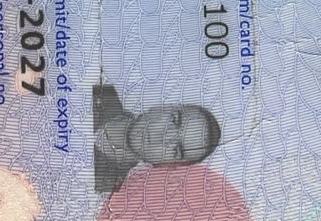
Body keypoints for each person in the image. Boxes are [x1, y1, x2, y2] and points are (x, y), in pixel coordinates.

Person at [92, 80, 223, 194]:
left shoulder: (106, 189)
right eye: (174, 120)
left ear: (167, 165)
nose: (162, 137)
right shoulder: (98, 90)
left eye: (176, 150)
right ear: (162, 107)